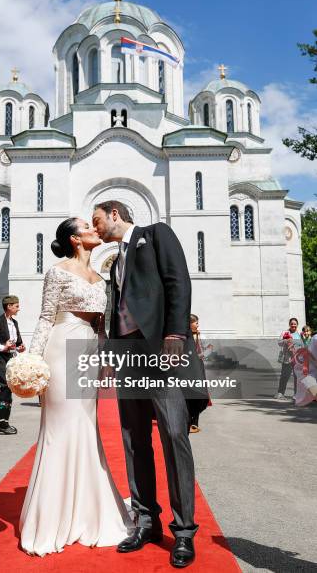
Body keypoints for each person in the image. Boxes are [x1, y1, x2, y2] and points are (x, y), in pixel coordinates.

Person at [92, 201, 207, 569]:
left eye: (97, 220)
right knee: (133, 438)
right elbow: (117, 310)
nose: (95, 229)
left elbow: (178, 281)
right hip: (128, 355)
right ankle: (146, 521)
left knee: (174, 436)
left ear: (114, 213)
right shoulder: (115, 265)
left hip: (160, 349)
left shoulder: (156, 234)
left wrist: (175, 332)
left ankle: (184, 530)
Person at [19, 218, 132, 558]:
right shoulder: (58, 271)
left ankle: (86, 507)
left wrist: (109, 356)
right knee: (61, 427)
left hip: (90, 352)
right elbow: (44, 317)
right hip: (60, 344)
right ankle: (51, 516)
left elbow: (103, 325)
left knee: (85, 427)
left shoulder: (101, 277)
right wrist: (32, 361)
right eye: (87, 227)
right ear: (74, 239)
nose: (95, 230)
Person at [0, 295, 26, 435]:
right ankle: (2, 423)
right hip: (1, 359)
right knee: (6, 388)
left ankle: (2, 422)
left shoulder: (15, 323)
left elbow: (17, 342)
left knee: (9, 388)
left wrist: (19, 347)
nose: (18, 309)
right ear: (9, 306)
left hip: (12, 359)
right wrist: (3, 347)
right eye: (16, 306)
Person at [274, 318, 302, 401]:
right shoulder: (285, 332)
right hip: (287, 358)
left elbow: (302, 344)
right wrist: (286, 341)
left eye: (295, 324)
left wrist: (295, 343)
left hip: (297, 358)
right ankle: (280, 393)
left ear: (297, 325)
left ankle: (296, 394)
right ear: (289, 324)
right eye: (292, 324)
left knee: (297, 377)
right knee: (284, 376)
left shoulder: (299, 334)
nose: (293, 325)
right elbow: (279, 342)